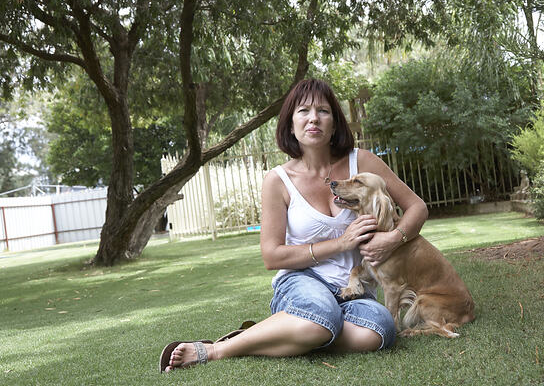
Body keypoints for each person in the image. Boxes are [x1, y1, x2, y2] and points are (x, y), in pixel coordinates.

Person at [162, 79, 428, 371]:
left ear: (335, 123)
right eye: (303, 111)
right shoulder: (278, 181)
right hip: (302, 282)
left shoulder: (361, 163)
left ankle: (281, 333)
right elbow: (272, 256)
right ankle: (218, 349)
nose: (313, 118)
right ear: (290, 125)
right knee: (322, 314)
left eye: (323, 111)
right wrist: (341, 243)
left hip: (355, 289)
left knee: (381, 329)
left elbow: (417, 207)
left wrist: (393, 239)